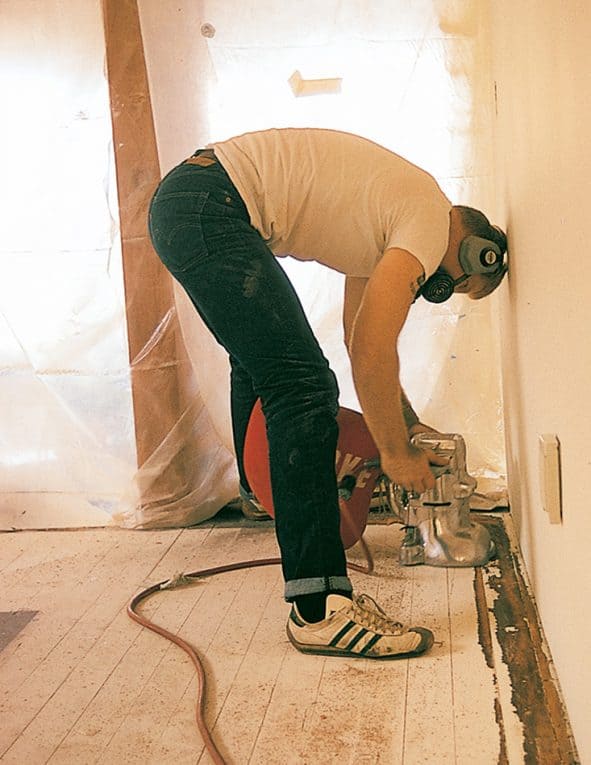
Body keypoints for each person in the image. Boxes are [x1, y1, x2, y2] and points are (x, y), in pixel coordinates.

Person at [148, 127, 507, 660]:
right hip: (209, 204)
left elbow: (356, 333)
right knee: (304, 384)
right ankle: (320, 610)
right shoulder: (429, 219)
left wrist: (407, 427)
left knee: (271, 363)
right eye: (452, 285)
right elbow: (370, 351)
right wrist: (397, 454)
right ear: (476, 251)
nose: (439, 291)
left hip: (195, 200)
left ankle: (260, 487)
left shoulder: (392, 222)